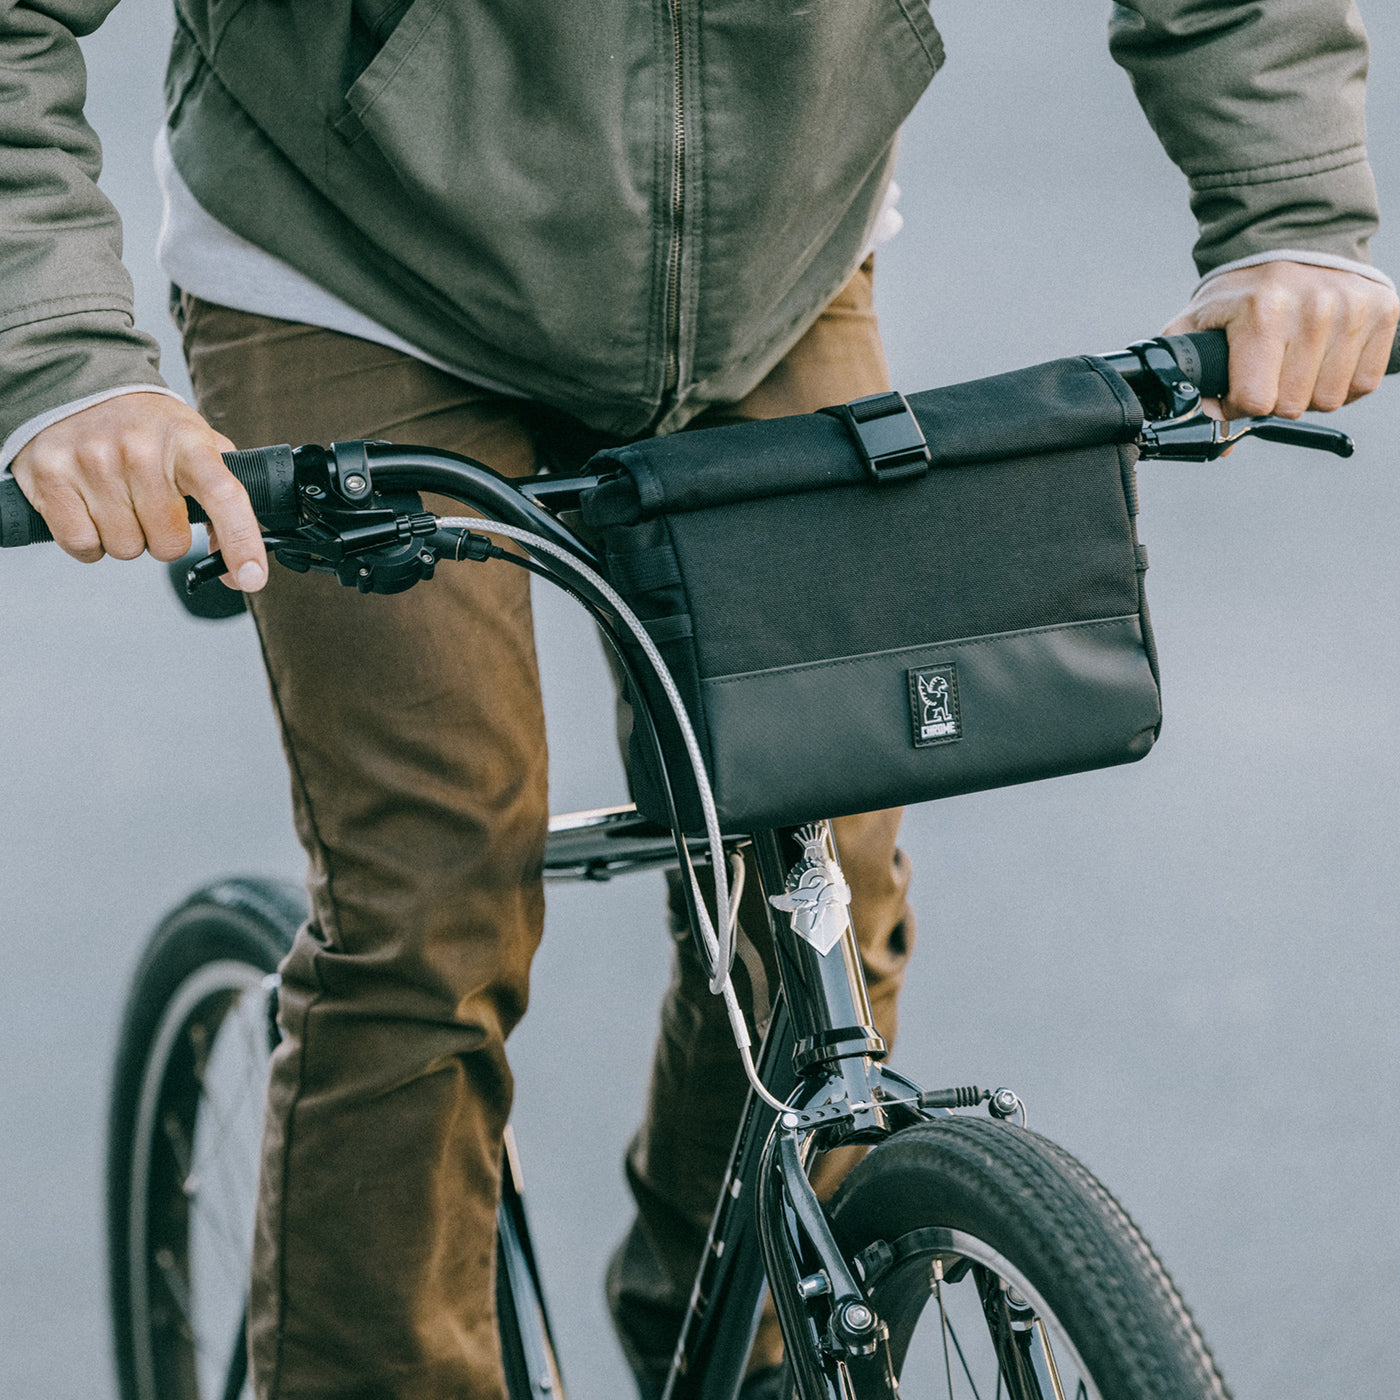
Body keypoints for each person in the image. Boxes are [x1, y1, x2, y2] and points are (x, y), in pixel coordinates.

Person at [2, 3, 1396, 1397]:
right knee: (435, 895)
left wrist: (1293, 217)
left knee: (826, 859)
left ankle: (734, 1353)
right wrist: (67, 364)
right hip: (353, 265)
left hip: (763, 273)